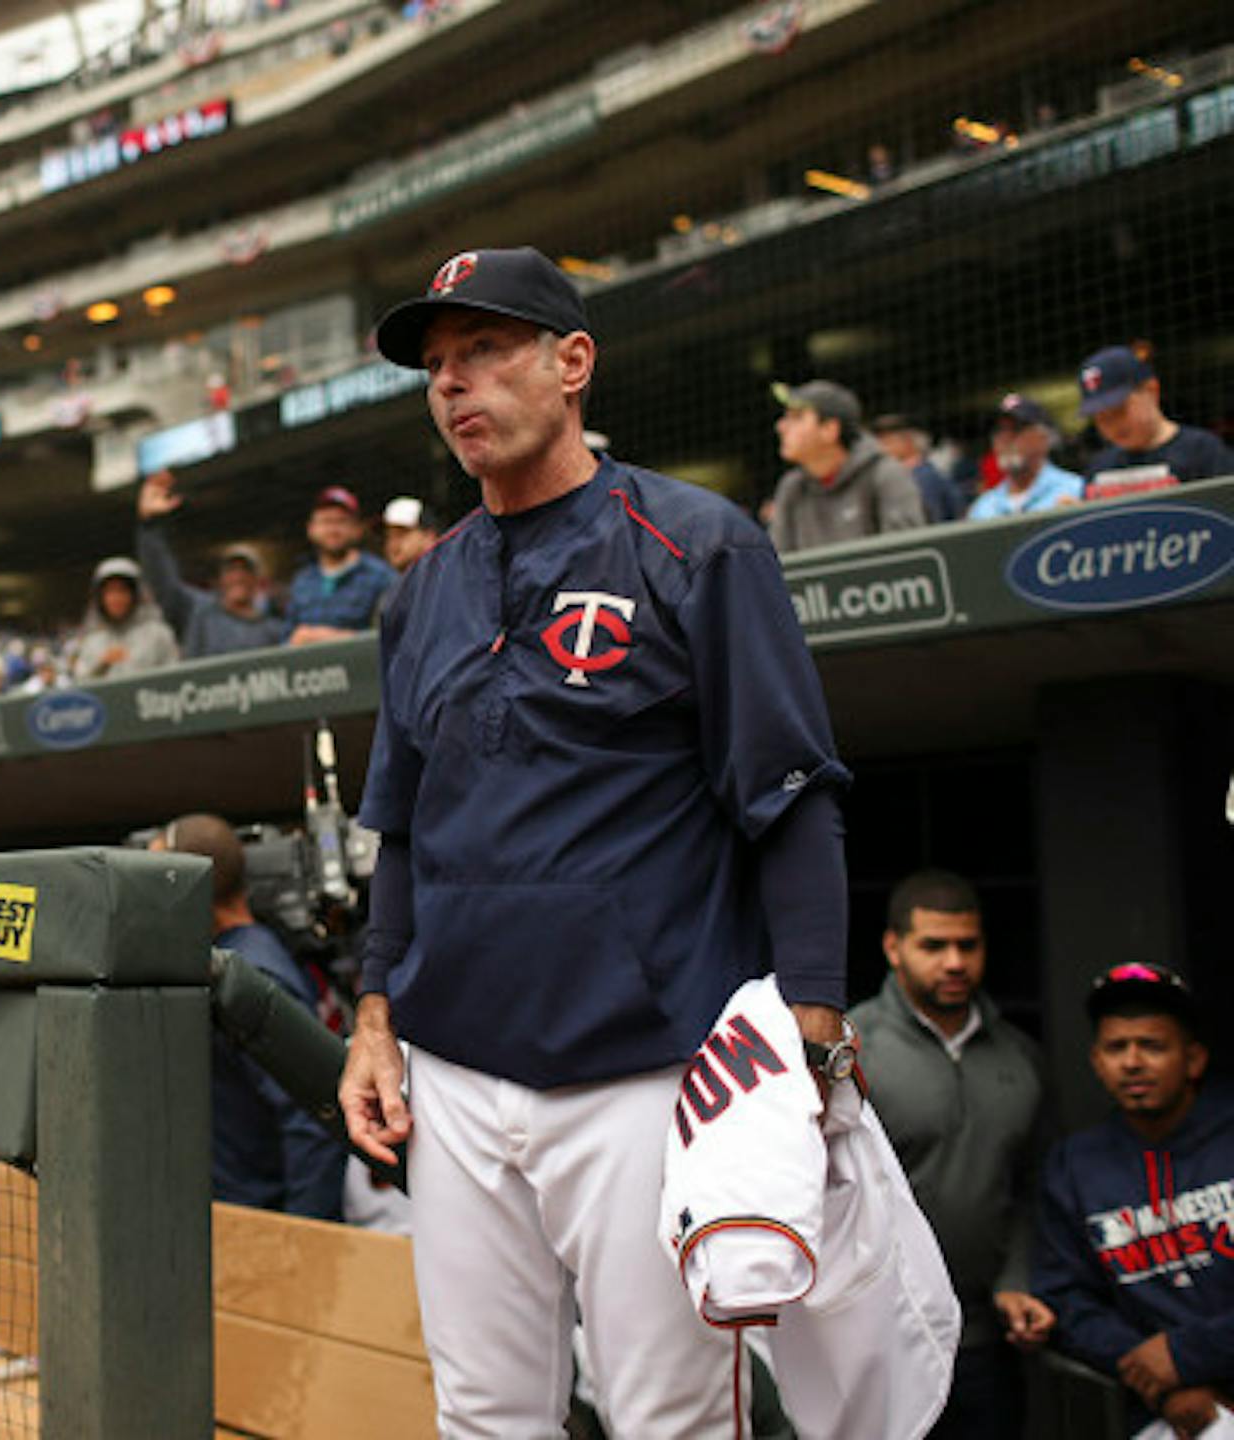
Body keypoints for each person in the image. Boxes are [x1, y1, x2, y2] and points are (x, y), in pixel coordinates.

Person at [339, 246, 854, 1436]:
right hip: (456, 1073)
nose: (455, 385)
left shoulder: (696, 543)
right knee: (483, 1416)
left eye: (486, 351)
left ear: (572, 363)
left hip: (652, 1069)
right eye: (437, 366)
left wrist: (815, 1035)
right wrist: (374, 1014)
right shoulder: (420, 594)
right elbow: (403, 831)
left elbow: (792, 796)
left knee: (670, 1418)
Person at [847, 870, 1054, 1438]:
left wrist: (1020, 1277)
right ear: (894, 947)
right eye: (934, 946)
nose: (955, 962)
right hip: (883, 1337)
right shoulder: (851, 1050)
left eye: (969, 945)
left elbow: (1032, 1184)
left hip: (989, 1337)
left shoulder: (1019, 1056)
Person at [1033, 963, 1233, 1438]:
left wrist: (1187, 1354)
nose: (1133, 1062)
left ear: (1194, 1059)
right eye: (1116, 1047)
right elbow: (1066, 1300)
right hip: (1164, 1411)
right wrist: (1159, 1380)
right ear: (1097, 1061)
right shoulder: (1075, 1166)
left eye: (1153, 1046)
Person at [153, 813, 346, 1219]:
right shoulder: (237, 959)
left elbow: (313, 1124)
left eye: (157, 883)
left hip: (265, 1226)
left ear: (190, 887)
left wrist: (300, 1244)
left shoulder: (251, 974)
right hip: (238, 1219)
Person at [134, 470, 287, 657]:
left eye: (245, 571)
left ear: (257, 582)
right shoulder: (198, 612)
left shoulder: (275, 629)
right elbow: (162, 581)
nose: (238, 576)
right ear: (220, 580)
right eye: (231, 571)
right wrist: (150, 525)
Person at [767, 378, 927, 551]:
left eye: (796, 417)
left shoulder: (885, 474)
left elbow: (908, 560)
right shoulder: (792, 488)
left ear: (829, 429)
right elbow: (776, 565)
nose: (781, 426)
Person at [1078, 345, 1234, 492]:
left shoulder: (1203, 451)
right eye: (1100, 417)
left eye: (1119, 410)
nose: (1112, 424)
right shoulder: (1099, 468)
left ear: (1151, 390)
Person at [286, 486, 397, 643]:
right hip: (310, 667)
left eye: (341, 521)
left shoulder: (381, 577)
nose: (333, 529)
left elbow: (391, 638)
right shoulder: (301, 581)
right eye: (326, 521)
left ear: (357, 529)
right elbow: (286, 639)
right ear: (311, 529)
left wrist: (328, 638)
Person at [966, 393, 1083, 520]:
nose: (1005, 438)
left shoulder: (1075, 490)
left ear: (1044, 438)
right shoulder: (983, 507)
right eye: (998, 430)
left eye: (1016, 429)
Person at [68, 557, 179, 682]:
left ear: (136, 595)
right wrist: (102, 665)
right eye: (109, 592)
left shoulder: (158, 635)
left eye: (122, 590)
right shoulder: (92, 642)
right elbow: (80, 686)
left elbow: (174, 679)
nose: (116, 598)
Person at [871, 414, 966, 523]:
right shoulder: (892, 476)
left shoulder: (926, 477)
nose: (881, 449)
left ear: (908, 442)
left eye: (888, 443)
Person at [381, 495, 443, 573]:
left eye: (401, 534)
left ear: (429, 537)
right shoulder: (386, 580)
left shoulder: (446, 575)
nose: (393, 543)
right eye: (388, 535)